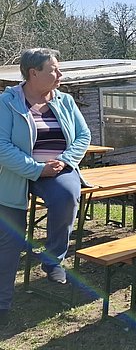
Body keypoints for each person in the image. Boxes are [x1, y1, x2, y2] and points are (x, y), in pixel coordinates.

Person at [0, 48, 91, 326]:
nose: (60, 74)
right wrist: (37, 168)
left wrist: (65, 161)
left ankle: (53, 260)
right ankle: (2, 303)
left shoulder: (65, 100)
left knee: (67, 195)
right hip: (17, 173)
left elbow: (83, 135)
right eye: (54, 70)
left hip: (57, 170)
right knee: (10, 238)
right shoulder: (7, 102)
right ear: (33, 73)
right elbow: (2, 146)